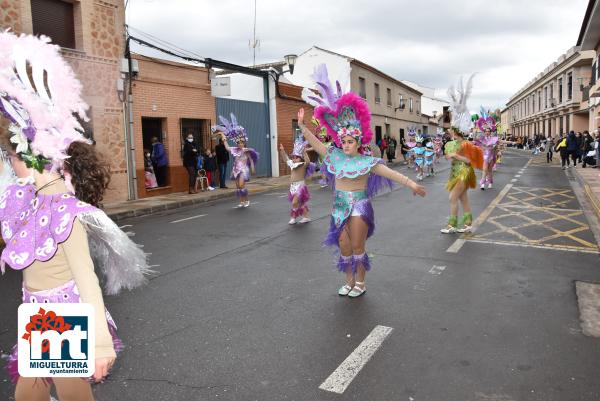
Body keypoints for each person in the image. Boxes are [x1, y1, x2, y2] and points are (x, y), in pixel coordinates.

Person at [0, 31, 151, 401]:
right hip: (36, 314)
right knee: (30, 393)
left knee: (69, 394)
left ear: (32, 157)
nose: (9, 162)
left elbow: (87, 279)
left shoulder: (65, 212)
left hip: (62, 317)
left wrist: (100, 343)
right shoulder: (30, 202)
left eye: (12, 156)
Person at [299, 64, 426, 298]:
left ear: (358, 142)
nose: (345, 145)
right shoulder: (334, 156)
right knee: (344, 247)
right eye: (343, 141)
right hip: (339, 206)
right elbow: (317, 145)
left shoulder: (368, 162)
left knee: (358, 247)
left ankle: (360, 283)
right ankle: (348, 281)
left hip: (359, 206)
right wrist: (302, 127)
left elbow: (392, 174)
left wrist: (412, 185)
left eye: (349, 141)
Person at [441, 74, 484, 234]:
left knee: (453, 198)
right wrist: (450, 154)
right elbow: (447, 156)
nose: (450, 130)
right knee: (463, 198)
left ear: (457, 130)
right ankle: (468, 224)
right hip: (456, 173)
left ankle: (452, 226)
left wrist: (455, 156)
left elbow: (467, 160)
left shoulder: (465, 144)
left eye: (452, 128)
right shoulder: (453, 143)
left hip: (463, 173)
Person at [212, 114, 258, 208]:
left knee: (241, 185)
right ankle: (242, 202)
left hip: (243, 170)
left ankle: (247, 200)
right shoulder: (234, 149)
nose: (240, 144)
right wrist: (223, 137)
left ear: (244, 143)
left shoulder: (246, 150)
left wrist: (252, 167)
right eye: (238, 143)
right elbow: (227, 147)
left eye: (241, 143)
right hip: (235, 170)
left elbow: (251, 159)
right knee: (238, 187)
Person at [279, 137, 316, 224]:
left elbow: (307, 161)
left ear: (301, 158)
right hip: (293, 187)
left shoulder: (303, 165)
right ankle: (306, 217)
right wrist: (282, 151)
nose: (295, 159)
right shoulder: (292, 164)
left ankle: (293, 218)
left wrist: (304, 152)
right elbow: (286, 159)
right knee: (302, 204)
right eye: (294, 157)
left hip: (300, 186)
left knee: (294, 202)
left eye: (297, 157)